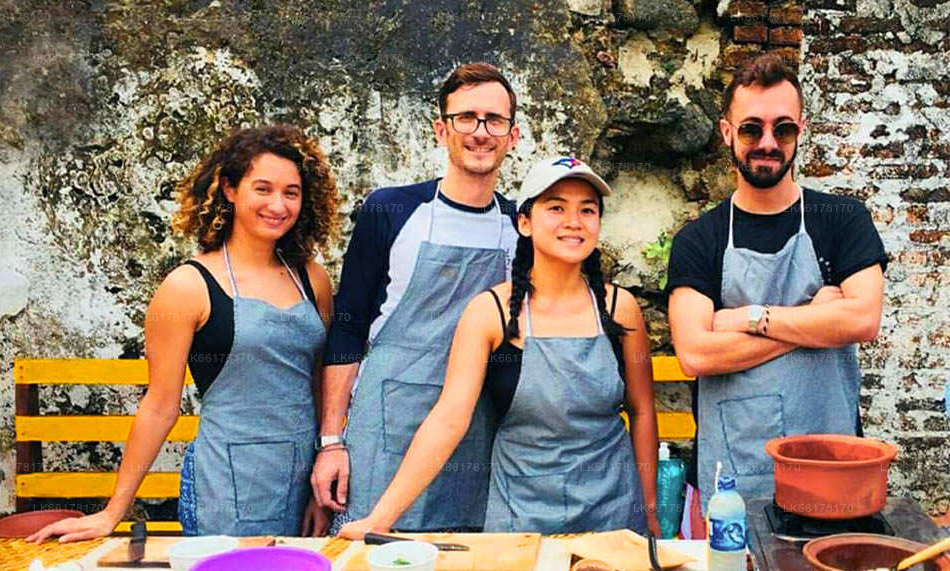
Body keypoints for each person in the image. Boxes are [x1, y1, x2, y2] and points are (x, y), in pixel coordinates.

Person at [28, 125, 338, 542]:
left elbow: (319, 385)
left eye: (291, 193)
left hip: (303, 480)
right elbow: (160, 406)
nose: (277, 205)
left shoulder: (312, 279)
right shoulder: (188, 287)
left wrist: (322, 479)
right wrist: (113, 512)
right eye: (262, 189)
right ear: (229, 189)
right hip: (226, 484)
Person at [339, 157, 660, 538]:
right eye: (556, 208)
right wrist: (380, 519)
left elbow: (642, 411)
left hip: (613, 512)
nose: (574, 221)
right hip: (522, 516)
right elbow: (448, 418)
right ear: (524, 222)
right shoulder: (489, 313)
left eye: (587, 210)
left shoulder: (619, 307)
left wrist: (648, 511)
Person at [667, 52, 886, 512]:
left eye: (782, 129)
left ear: (800, 131)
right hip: (734, 482)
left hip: (832, 471)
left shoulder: (841, 219)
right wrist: (816, 320)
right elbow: (696, 354)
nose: (767, 143)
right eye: (751, 129)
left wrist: (748, 318)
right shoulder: (699, 239)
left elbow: (863, 320)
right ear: (727, 132)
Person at [313, 62, 520, 533]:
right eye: (466, 118)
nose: (480, 132)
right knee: (367, 552)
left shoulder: (520, 226)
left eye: (494, 120)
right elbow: (348, 327)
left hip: (473, 429)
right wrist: (331, 441)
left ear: (513, 136)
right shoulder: (391, 210)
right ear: (441, 129)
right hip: (384, 423)